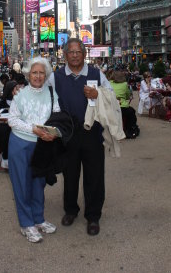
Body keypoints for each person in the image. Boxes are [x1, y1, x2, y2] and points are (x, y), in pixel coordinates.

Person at [48, 38, 114, 236]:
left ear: (84, 54)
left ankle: (93, 217)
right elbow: (46, 98)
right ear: (65, 55)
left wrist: (97, 94)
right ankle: (70, 210)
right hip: (68, 134)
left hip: (92, 133)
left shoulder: (96, 74)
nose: (75, 55)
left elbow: (111, 97)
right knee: (70, 175)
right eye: (71, 52)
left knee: (94, 176)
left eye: (78, 52)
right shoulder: (56, 77)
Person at [8, 56, 60, 243]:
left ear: (46, 75)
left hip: (42, 145)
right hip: (20, 144)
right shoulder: (20, 94)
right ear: (28, 74)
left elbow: (57, 117)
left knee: (39, 184)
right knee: (22, 185)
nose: (38, 76)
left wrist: (53, 133)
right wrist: (34, 129)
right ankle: (26, 224)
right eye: (34, 72)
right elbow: (12, 120)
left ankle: (38, 219)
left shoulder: (52, 92)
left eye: (41, 73)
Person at [110, 71, 139, 139]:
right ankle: (129, 129)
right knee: (132, 112)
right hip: (122, 107)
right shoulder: (125, 84)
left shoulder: (109, 83)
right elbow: (127, 96)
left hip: (111, 106)